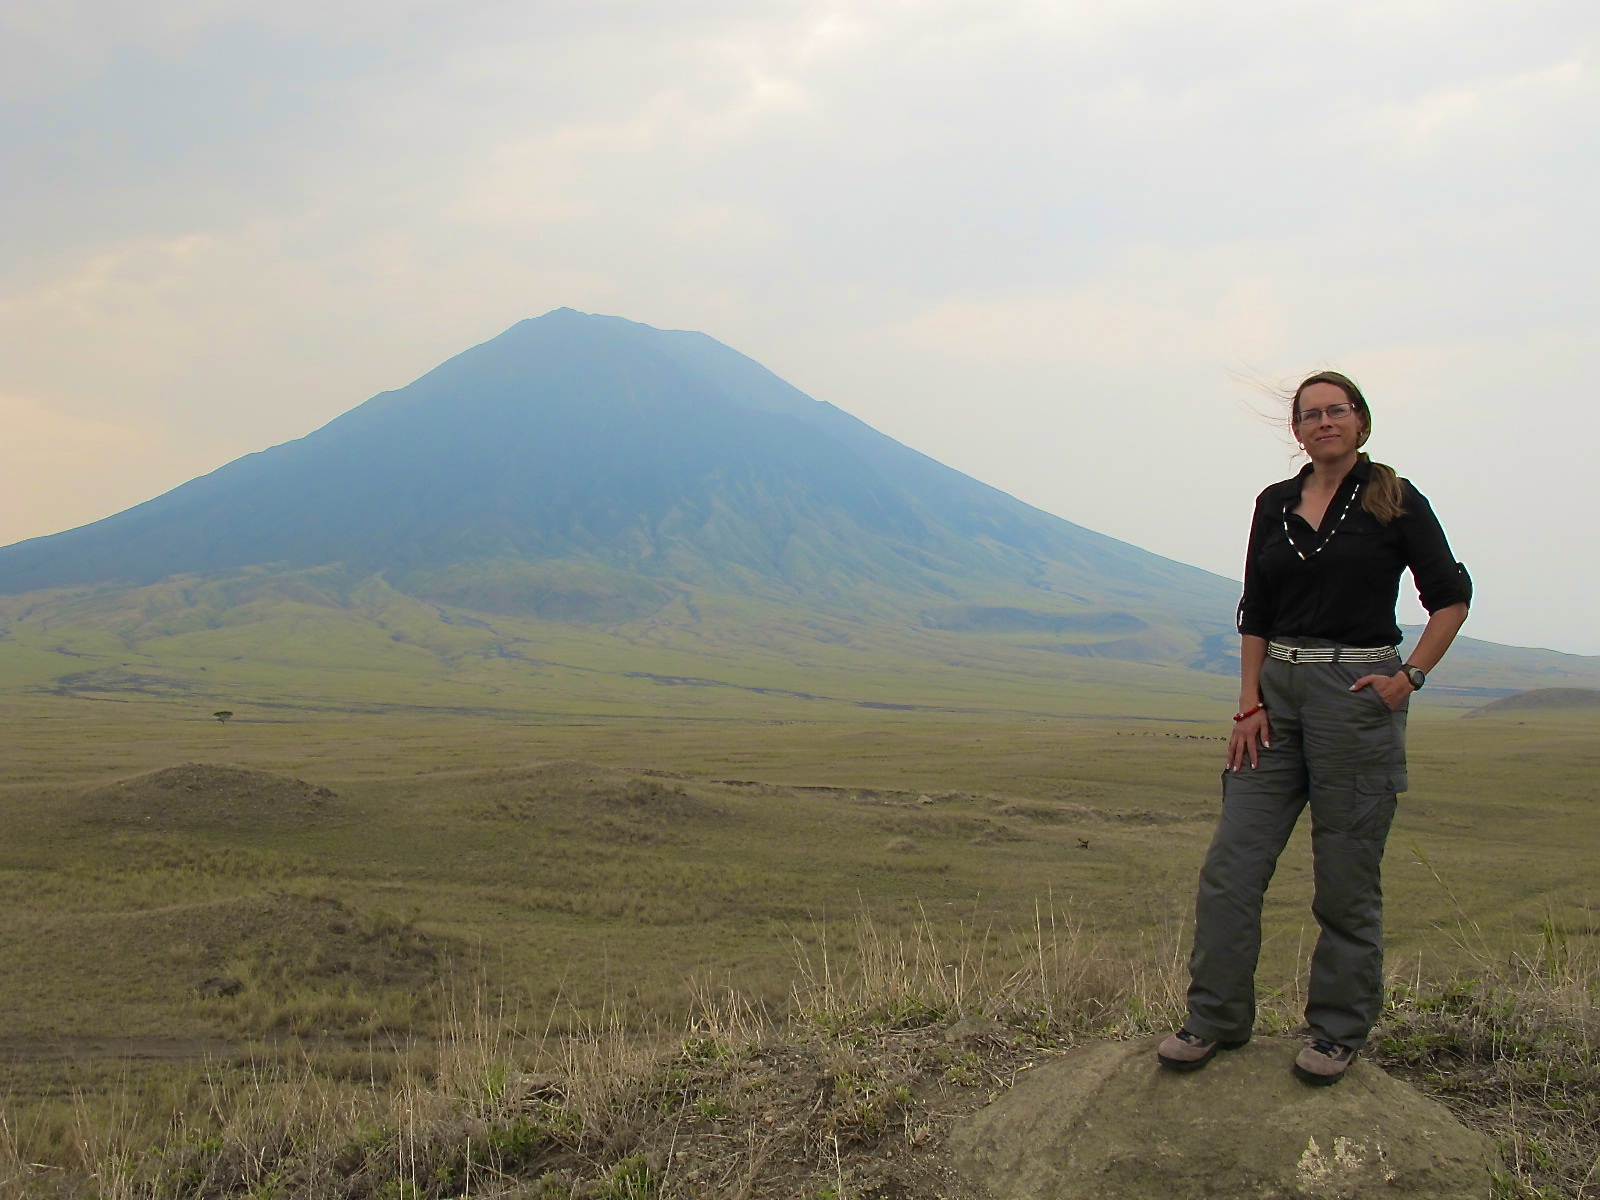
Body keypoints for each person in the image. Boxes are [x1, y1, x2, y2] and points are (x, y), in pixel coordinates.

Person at [1157, 370, 1471, 1085]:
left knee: (1345, 880)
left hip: (1356, 694)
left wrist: (1409, 676)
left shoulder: (1394, 498)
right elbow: (1255, 612)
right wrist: (1248, 703)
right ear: (1296, 431)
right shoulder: (1275, 503)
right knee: (1230, 868)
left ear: (1360, 420)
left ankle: (1335, 1032)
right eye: (1310, 415)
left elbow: (1450, 597)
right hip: (1276, 698)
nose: (1324, 422)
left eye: (1337, 410)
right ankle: (1215, 1017)